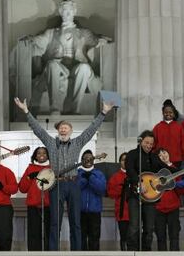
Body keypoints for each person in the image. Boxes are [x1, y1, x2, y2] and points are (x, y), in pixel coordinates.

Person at [14, 97, 113, 250]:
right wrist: (26, 111)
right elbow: (38, 130)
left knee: (76, 222)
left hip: (73, 184)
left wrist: (103, 112)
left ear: (71, 131)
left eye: (66, 127)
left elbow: (91, 130)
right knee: (55, 222)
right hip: (57, 184)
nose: (63, 129)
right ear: (58, 131)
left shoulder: (78, 143)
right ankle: (54, 252)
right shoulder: (51, 143)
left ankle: (76, 252)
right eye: (61, 127)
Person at [24, 0, 109, 115]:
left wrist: (102, 40)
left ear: (74, 12)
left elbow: (95, 41)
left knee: (84, 68)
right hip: (59, 68)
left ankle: (75, 110)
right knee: (52, 64)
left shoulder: (84, 32)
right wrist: (30, 39)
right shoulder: (51, 33)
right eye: (65, 10)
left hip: (77, 67)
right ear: (60, 12)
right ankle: (55, 109)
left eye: (70, 10)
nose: (68, 13)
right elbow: (39, 40)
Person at [125, 130, 173, 251]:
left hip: (150, 198)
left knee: (149, 228)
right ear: (141, 141)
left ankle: (146, 251)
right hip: (135, 196)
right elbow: (130, 171)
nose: (149, 146)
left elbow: (165, 169)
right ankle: (132, 251)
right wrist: (139, 182)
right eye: (147, 142)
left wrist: (181, 168)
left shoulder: (153, 157)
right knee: (134, 226)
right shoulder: (132, 154)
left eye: (151, 144)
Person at [18, 147, 51, 251]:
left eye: (44, 153)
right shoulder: (30, 168)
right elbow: (22, 188)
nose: (41, 155)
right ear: (35, 156)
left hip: (48, 205)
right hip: (33, 206)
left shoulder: (52, 167)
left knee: (48, 233)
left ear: (48, 155)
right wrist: (29, 177)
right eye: (39, 153)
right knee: (33, 234)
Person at [77, 150, 106, 251]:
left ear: (93, 160)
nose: (88, 160)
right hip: (80, 212)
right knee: (81, 239)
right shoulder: (78, 173)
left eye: (90, 158)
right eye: (85, 158)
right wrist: (85, 179)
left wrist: (91, 178)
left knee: (94, 239)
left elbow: (101, 190)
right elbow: (76, 189)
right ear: (82, 160)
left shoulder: (99, 173)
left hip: (95, 212)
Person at [153, 99, 184, 167]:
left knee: (177, 177)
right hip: (161, 160)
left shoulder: (179, 127)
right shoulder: (157, 127)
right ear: (163, 113)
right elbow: (154, 144)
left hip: (177, 160)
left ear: (174, 113)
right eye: (166, 112)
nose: (168, 114)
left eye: (170, 112)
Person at [107, 152, 129, 251]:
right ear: (120, 162)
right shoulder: (115, 177)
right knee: (124, 236)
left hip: (135, 212)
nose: (125, 162)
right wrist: (124, 188)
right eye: (123, 160)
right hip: (122, 212)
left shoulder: (136, 175)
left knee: (134, 237)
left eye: (127, 159)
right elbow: (111, 193)